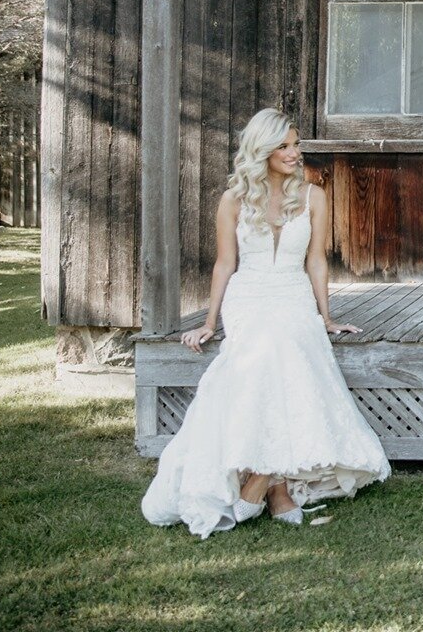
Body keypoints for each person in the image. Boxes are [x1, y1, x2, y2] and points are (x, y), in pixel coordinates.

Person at [142, 108, 389, 538]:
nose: (295, 152)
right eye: (285, 146)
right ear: (263, 151)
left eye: (296, 144)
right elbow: (224, 264)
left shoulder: (314, 197)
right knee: (266, 350)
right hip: (250, 297)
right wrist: (209, 321)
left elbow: (316, 261)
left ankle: (261, 481)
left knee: (286, 344)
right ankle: (274, 488)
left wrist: (325, 317)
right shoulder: (233, 200)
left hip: (292, 295)